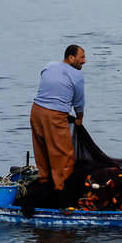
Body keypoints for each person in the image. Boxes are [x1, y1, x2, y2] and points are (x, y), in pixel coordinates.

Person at [30, 45, 86, 196]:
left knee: (41, 149)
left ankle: (44, 182)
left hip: (36, 111)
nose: (84, 61)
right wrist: (79, 118)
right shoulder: (77, 75)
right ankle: (61, 191)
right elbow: (79, 102)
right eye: (82, 57)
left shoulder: (48, 66)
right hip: (54, 115)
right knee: (63, 154)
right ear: (71, 57)